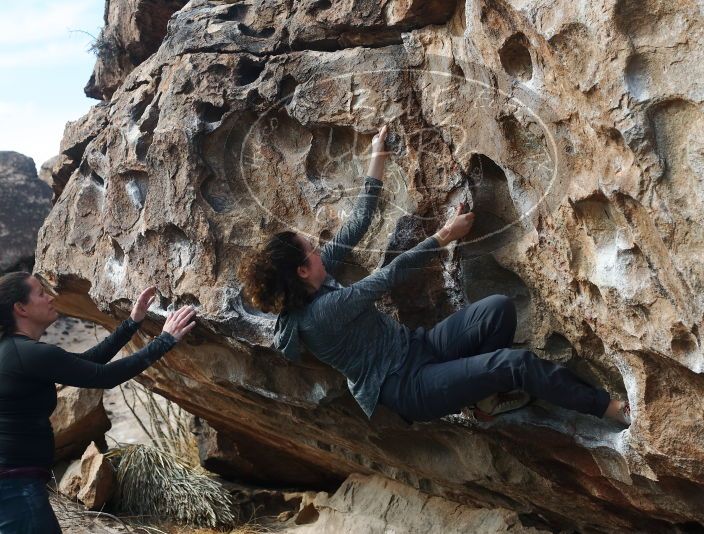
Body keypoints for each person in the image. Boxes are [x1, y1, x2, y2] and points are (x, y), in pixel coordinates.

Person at [240, 125, 631, 426]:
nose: (317, 246)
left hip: (418, 347)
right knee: (514, 364)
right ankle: (606, 408)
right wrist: (445, 235)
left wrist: (378, 155)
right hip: (407, 387)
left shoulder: (315, 279)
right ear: (303, 269)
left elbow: (359, 221)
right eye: (310, 247)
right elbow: (387, 277)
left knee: (497, 310)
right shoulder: (319, 315)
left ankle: (483, 399)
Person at [0, 272, 196, 533]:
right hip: (14, 487)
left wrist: (132, 323)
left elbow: (87, 363)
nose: (50, 297)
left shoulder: (16, 351)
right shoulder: (27, 354)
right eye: (40, 293)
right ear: (21, 308)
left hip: (15, 484)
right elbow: (104, 377)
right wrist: (165, 340)